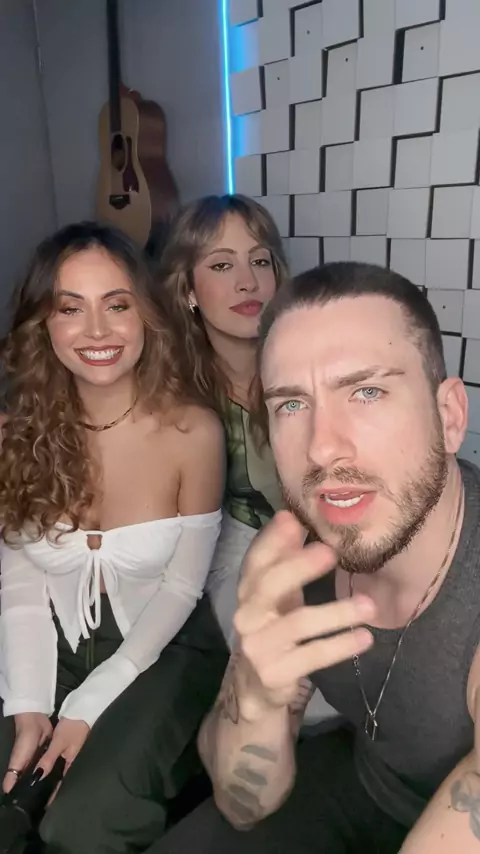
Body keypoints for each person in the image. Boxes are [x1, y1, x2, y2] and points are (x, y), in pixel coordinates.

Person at [149, 261, 480, 854]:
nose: (323, 448)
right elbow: (242, 804)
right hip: (359, 785)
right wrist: (258, 696)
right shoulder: (294, 560)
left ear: (450, 416)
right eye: (291, 405)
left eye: (367, 392)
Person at [0, 221, 229, 853]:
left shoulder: (193, 433)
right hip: (49, 641)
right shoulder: (15, 434)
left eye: (117, 305)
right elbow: (21, 579)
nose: (97, 331)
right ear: (44, 325)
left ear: (146, 314)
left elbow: (181, 588)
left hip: (165, 645)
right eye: (70, 308)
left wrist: (87, 704)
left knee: (81, 822)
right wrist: (28, 703)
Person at [158, 194, 288, 643]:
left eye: (260, 261)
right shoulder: (173, 392)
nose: (248, 282)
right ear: (188, 291)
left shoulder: (314, 362)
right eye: (221, 265)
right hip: (236, 547)